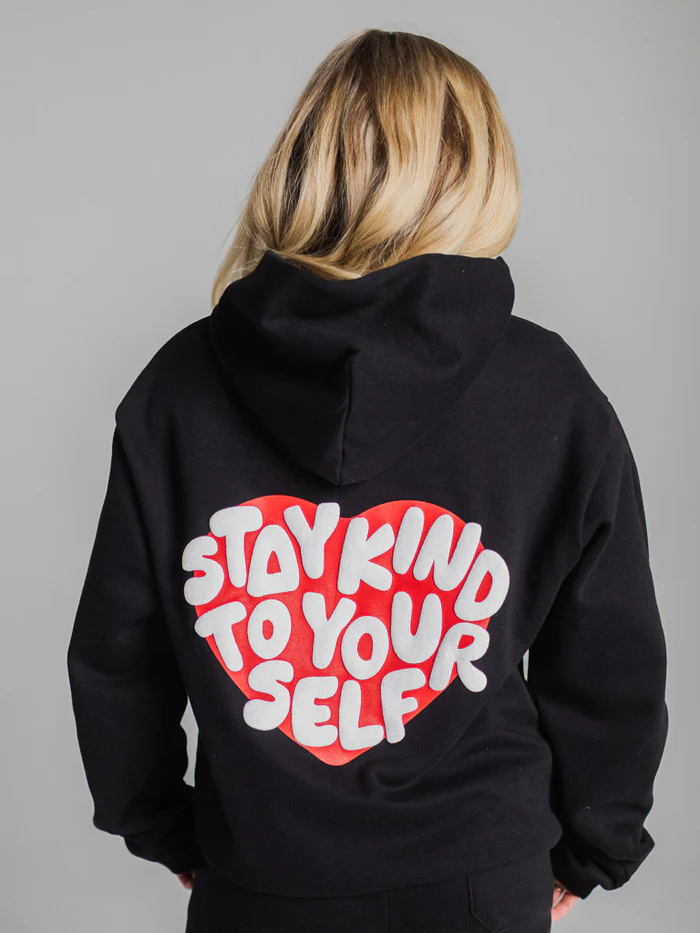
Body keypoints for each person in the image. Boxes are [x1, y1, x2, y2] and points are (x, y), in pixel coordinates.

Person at [66, 27, 668, 933]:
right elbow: (610, 660)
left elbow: (119, 654)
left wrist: (161, 823)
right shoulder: (548, 390)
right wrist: (596, 840)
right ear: (478, 174)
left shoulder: (177, 387)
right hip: (478, 878)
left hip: (258, 878)